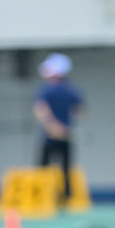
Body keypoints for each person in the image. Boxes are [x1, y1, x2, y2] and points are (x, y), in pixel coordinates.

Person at [33, 53, 84, 203]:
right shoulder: (72, 90)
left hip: (49, 135)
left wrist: (52, 126)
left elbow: (40, 110)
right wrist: (65, 127)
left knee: (43, 168)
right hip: (66, 134)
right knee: (66, 169)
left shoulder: (46, 90)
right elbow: (79, 111)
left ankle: (42, 198)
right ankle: (66, 199)